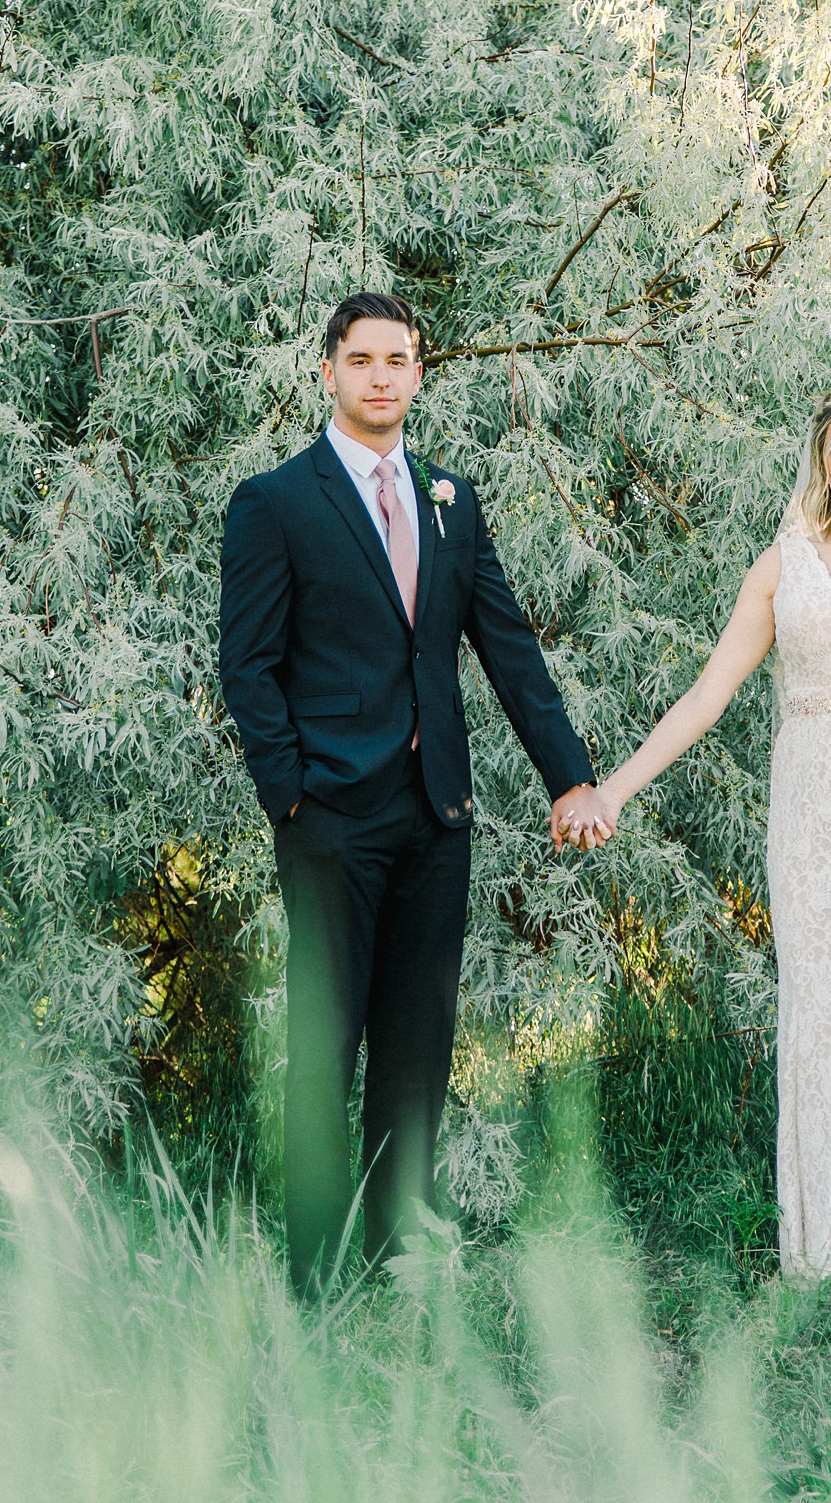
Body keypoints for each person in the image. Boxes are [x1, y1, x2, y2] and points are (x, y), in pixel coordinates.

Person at [556, 381, 831, 1302]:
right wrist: (613, 790)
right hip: (812, 828)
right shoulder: (784, 565)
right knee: (827, 1022)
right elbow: (706, 696)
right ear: (821, 462)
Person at [219, 292, 601, 1293]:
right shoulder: (277, 503)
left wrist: (573, 776)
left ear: (419, 374)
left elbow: (508, 649)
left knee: (416, 1048)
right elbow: (248, 667)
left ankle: (394, 1252)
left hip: (437, 816)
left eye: (398, 360)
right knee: (324, 1044)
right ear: (328, 371)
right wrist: (288, 799)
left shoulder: (451, 502)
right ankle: (313, 1275)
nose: (380, 376)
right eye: (361, 360)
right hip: (330, 820)